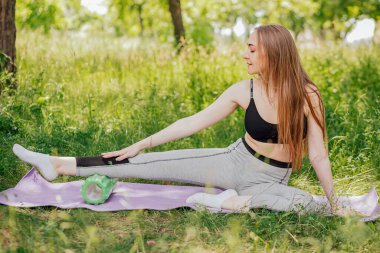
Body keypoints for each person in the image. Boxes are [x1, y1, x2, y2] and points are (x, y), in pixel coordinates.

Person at [12, 24, 361, 217]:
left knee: (308, 208)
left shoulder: (307, 94)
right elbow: (193, 122)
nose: (245, 54)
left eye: (252, 49)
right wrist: (143, 142)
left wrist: (332, 202)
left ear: (275, 52)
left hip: (271, 181)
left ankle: (222, 202)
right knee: (146, 164)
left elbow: (318, 155)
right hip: (233, 164)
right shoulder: (244, 91)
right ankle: (60, 165)